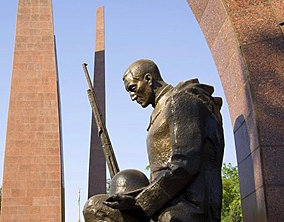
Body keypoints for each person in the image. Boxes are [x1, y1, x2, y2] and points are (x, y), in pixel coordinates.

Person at [83, 59, 225, 222]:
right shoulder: (160, 111)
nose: (132, 96)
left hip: (184, 207)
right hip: (164, 203)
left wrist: (140, 202)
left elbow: (185, 165)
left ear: (149, 79)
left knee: (97, 208)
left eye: (133, 88)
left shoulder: (180, 101)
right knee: (99, 205)